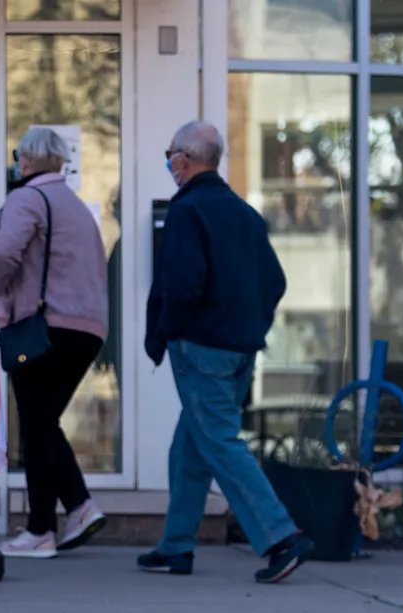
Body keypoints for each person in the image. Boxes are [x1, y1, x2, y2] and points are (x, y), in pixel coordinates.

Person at [139, 120, 315, 584]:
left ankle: (282, 537)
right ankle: (176, 546)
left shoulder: (188, 210)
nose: (169, 161)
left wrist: (165, 333)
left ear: (185, 158)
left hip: (201, 349)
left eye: (171, 153)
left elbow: (182, 285)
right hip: (239, 351)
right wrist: (250, 326)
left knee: (220, 443)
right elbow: (275, 281)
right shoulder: (243, 212)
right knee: (189, 448)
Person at [0, 127, 109, 558]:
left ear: (25, 161)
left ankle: (44, 527)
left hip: (41, 327)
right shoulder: (76, 207)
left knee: (36, 424)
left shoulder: (27, 198)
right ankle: (77, 507)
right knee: (43, 422)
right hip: (86, 329)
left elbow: (4, 254)